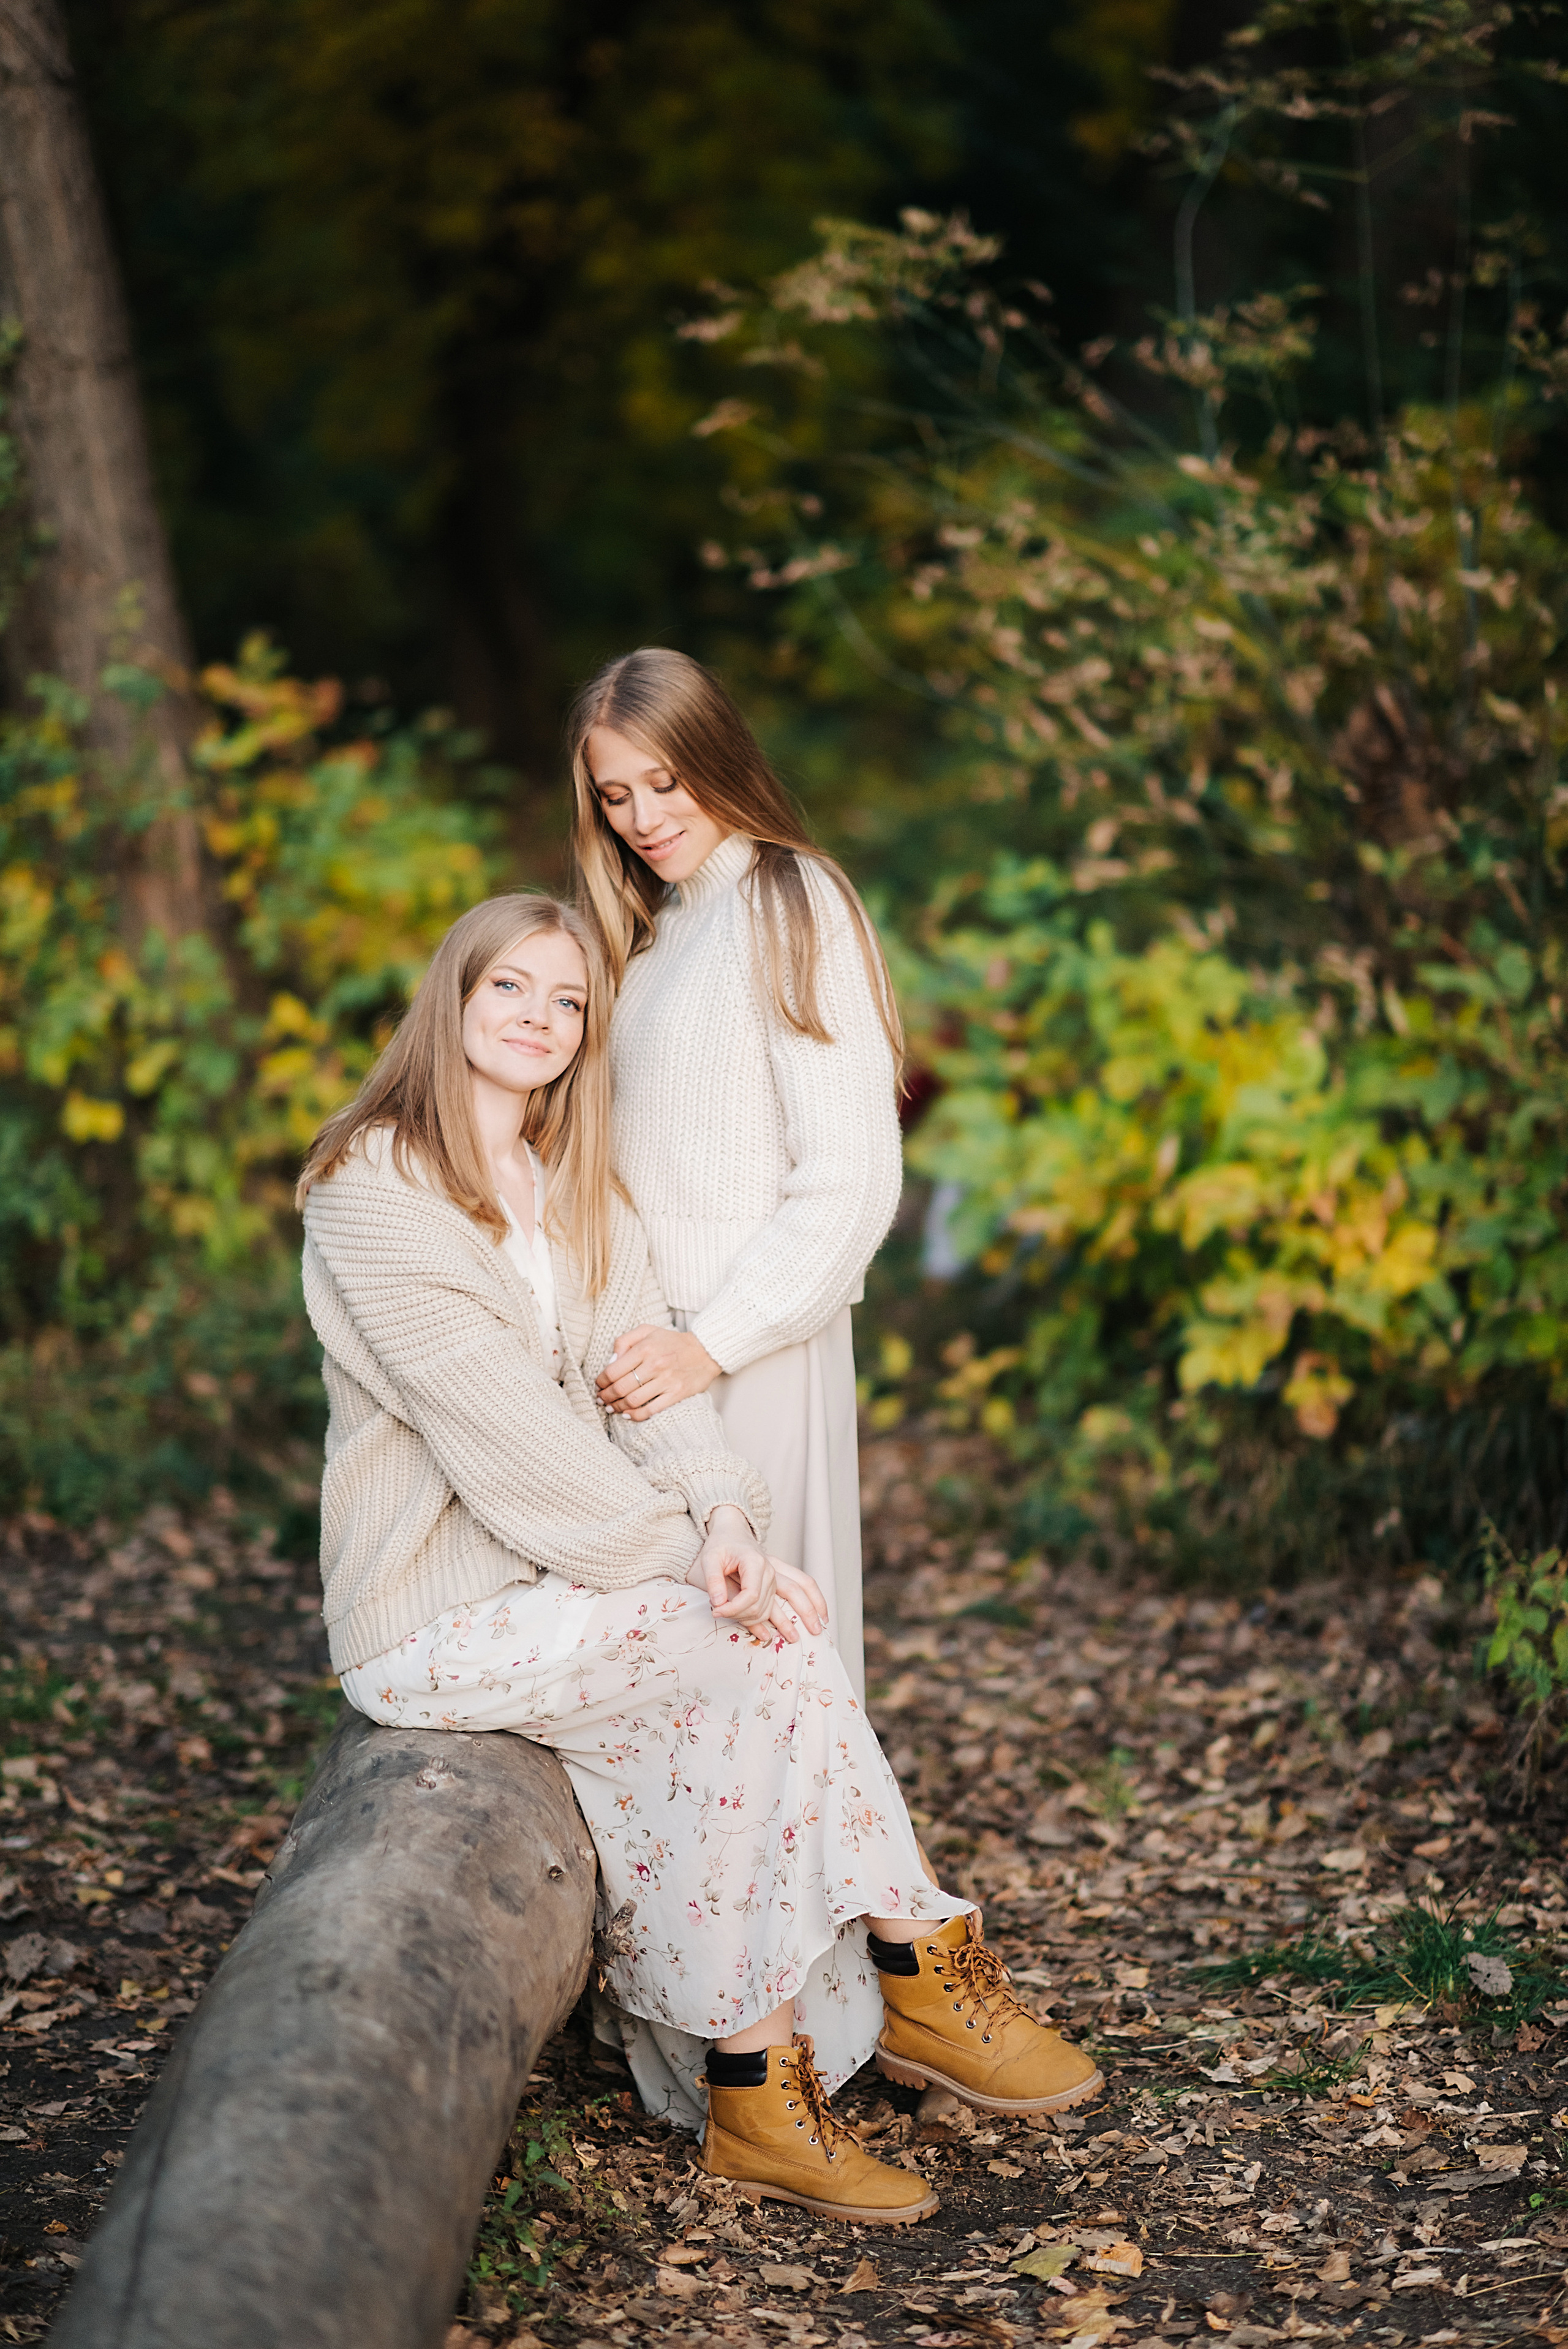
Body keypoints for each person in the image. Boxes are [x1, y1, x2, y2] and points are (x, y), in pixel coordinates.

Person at [295, 892, 1102, 2223]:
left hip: (563, 1587)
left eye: (567, 1003)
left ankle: (760, 2085)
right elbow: (507, 1445)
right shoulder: (372, 1187)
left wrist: (725, 1515)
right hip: (435, 1612)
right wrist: (685, 1555)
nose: (540, 1021)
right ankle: (912, 1966)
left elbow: (644, 1391)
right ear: (452, 995)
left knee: (754, 1665)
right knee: (744, 1643)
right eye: (512, 989)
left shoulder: (572, 1182)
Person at [569, 647, 902, 1711]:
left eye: (665, 781)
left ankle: (809, 1880)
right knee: (679, 1677)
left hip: (746, 1348)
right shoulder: (657, 933)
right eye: (615, 795)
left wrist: (709, 1345)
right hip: (649, 1359)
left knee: (760, 1663)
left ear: (719, 755)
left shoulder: (789, 898)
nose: (643, 816)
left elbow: (851, 1179)